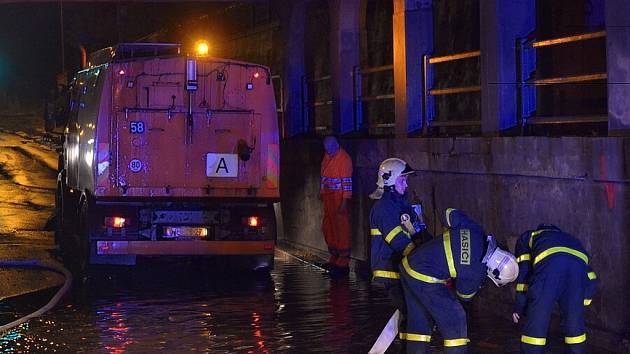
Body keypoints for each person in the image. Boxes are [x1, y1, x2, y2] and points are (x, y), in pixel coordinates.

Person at [400, 208, 519, 353]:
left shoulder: (476, 231)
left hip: (409, 264)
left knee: (420, 320)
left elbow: (450, 213)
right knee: (456, 318)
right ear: (495, 273)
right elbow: (464, 295)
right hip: (425, 276)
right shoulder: (477, 272)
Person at [369, 157, 428, 349]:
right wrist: (424, 261)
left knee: (410, 314)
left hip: (403, 269)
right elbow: (399, 241)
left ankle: (408, 348)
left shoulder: (402, 205)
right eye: (403, 179)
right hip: (391, 270)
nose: (406, 183)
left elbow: (417, 234)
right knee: (412, 313)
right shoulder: (384, 207)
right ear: (390, 180)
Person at [512, 224, 598, 354]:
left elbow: (524, 273)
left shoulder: (529, 237)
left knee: (536, 328)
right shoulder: (572, 240)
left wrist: (520, 306)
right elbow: (592, 279)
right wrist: (579, 302)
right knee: (575, 331)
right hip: (575, 275)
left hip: (549, 272)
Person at [320, 135, 353, 273]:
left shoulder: (344, 159)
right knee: (328, 226)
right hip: (329, 198)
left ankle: (343, 261)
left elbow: (346, 182)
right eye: (327, 149)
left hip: (338, 198)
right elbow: (324, 176)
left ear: (336, 145)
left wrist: (345, 201)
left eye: (330, 149)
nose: (328, 151)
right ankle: (335, 256)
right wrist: (322, 192)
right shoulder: (329, 155)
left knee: (341, 228)